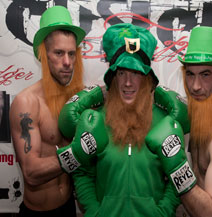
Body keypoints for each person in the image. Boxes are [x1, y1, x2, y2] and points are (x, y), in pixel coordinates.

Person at [56, 23, 191, 217]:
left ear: (146, 78)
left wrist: (163, 211)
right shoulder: (96, 119)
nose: (128, 82)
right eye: (121, 73)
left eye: (135, 73)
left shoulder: (164, 121)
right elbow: (83, 172)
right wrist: (94, 212)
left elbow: (177, 173)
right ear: (113, 78)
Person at [147, 26, 212, 217]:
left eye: (205, 75)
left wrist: (177, 168)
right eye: (190, 74)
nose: (195, 86)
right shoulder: (199, 118)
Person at [9, 6, 86, 216]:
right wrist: (78, 153)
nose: (67, 62)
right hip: (38, 212)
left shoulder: (76, 100)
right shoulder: (27, 103)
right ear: (44, 54)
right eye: (59, 53)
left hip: (68, 207)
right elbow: (31, 172)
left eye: (72, 53)